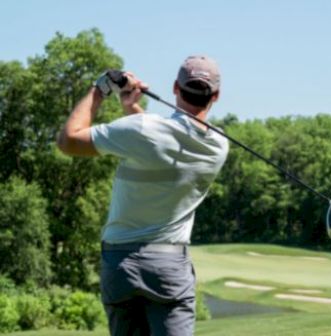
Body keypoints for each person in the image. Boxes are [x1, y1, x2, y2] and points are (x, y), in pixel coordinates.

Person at [57, 55, 229, 336]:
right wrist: (131, 108)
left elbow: (68, 141)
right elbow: (162, 141)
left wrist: (100, 89)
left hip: (120, 264)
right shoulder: (219, 146)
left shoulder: (142, 128)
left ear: (175, 87)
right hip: (169, 267)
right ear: (216, 96)